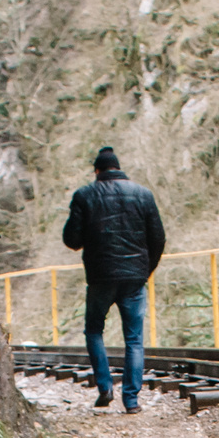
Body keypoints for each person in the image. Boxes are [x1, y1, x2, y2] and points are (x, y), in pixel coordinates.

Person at [60, 146, 165, 412]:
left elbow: (71, 240)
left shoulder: (84, 195)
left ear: (97, 171)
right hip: (134, 279)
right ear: (118, 168)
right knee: (134, 340)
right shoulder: (143, 194)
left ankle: (105, 387)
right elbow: (158, 238)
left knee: (94, 331)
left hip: (100, 277)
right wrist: (145, 270)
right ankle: (131, 401)